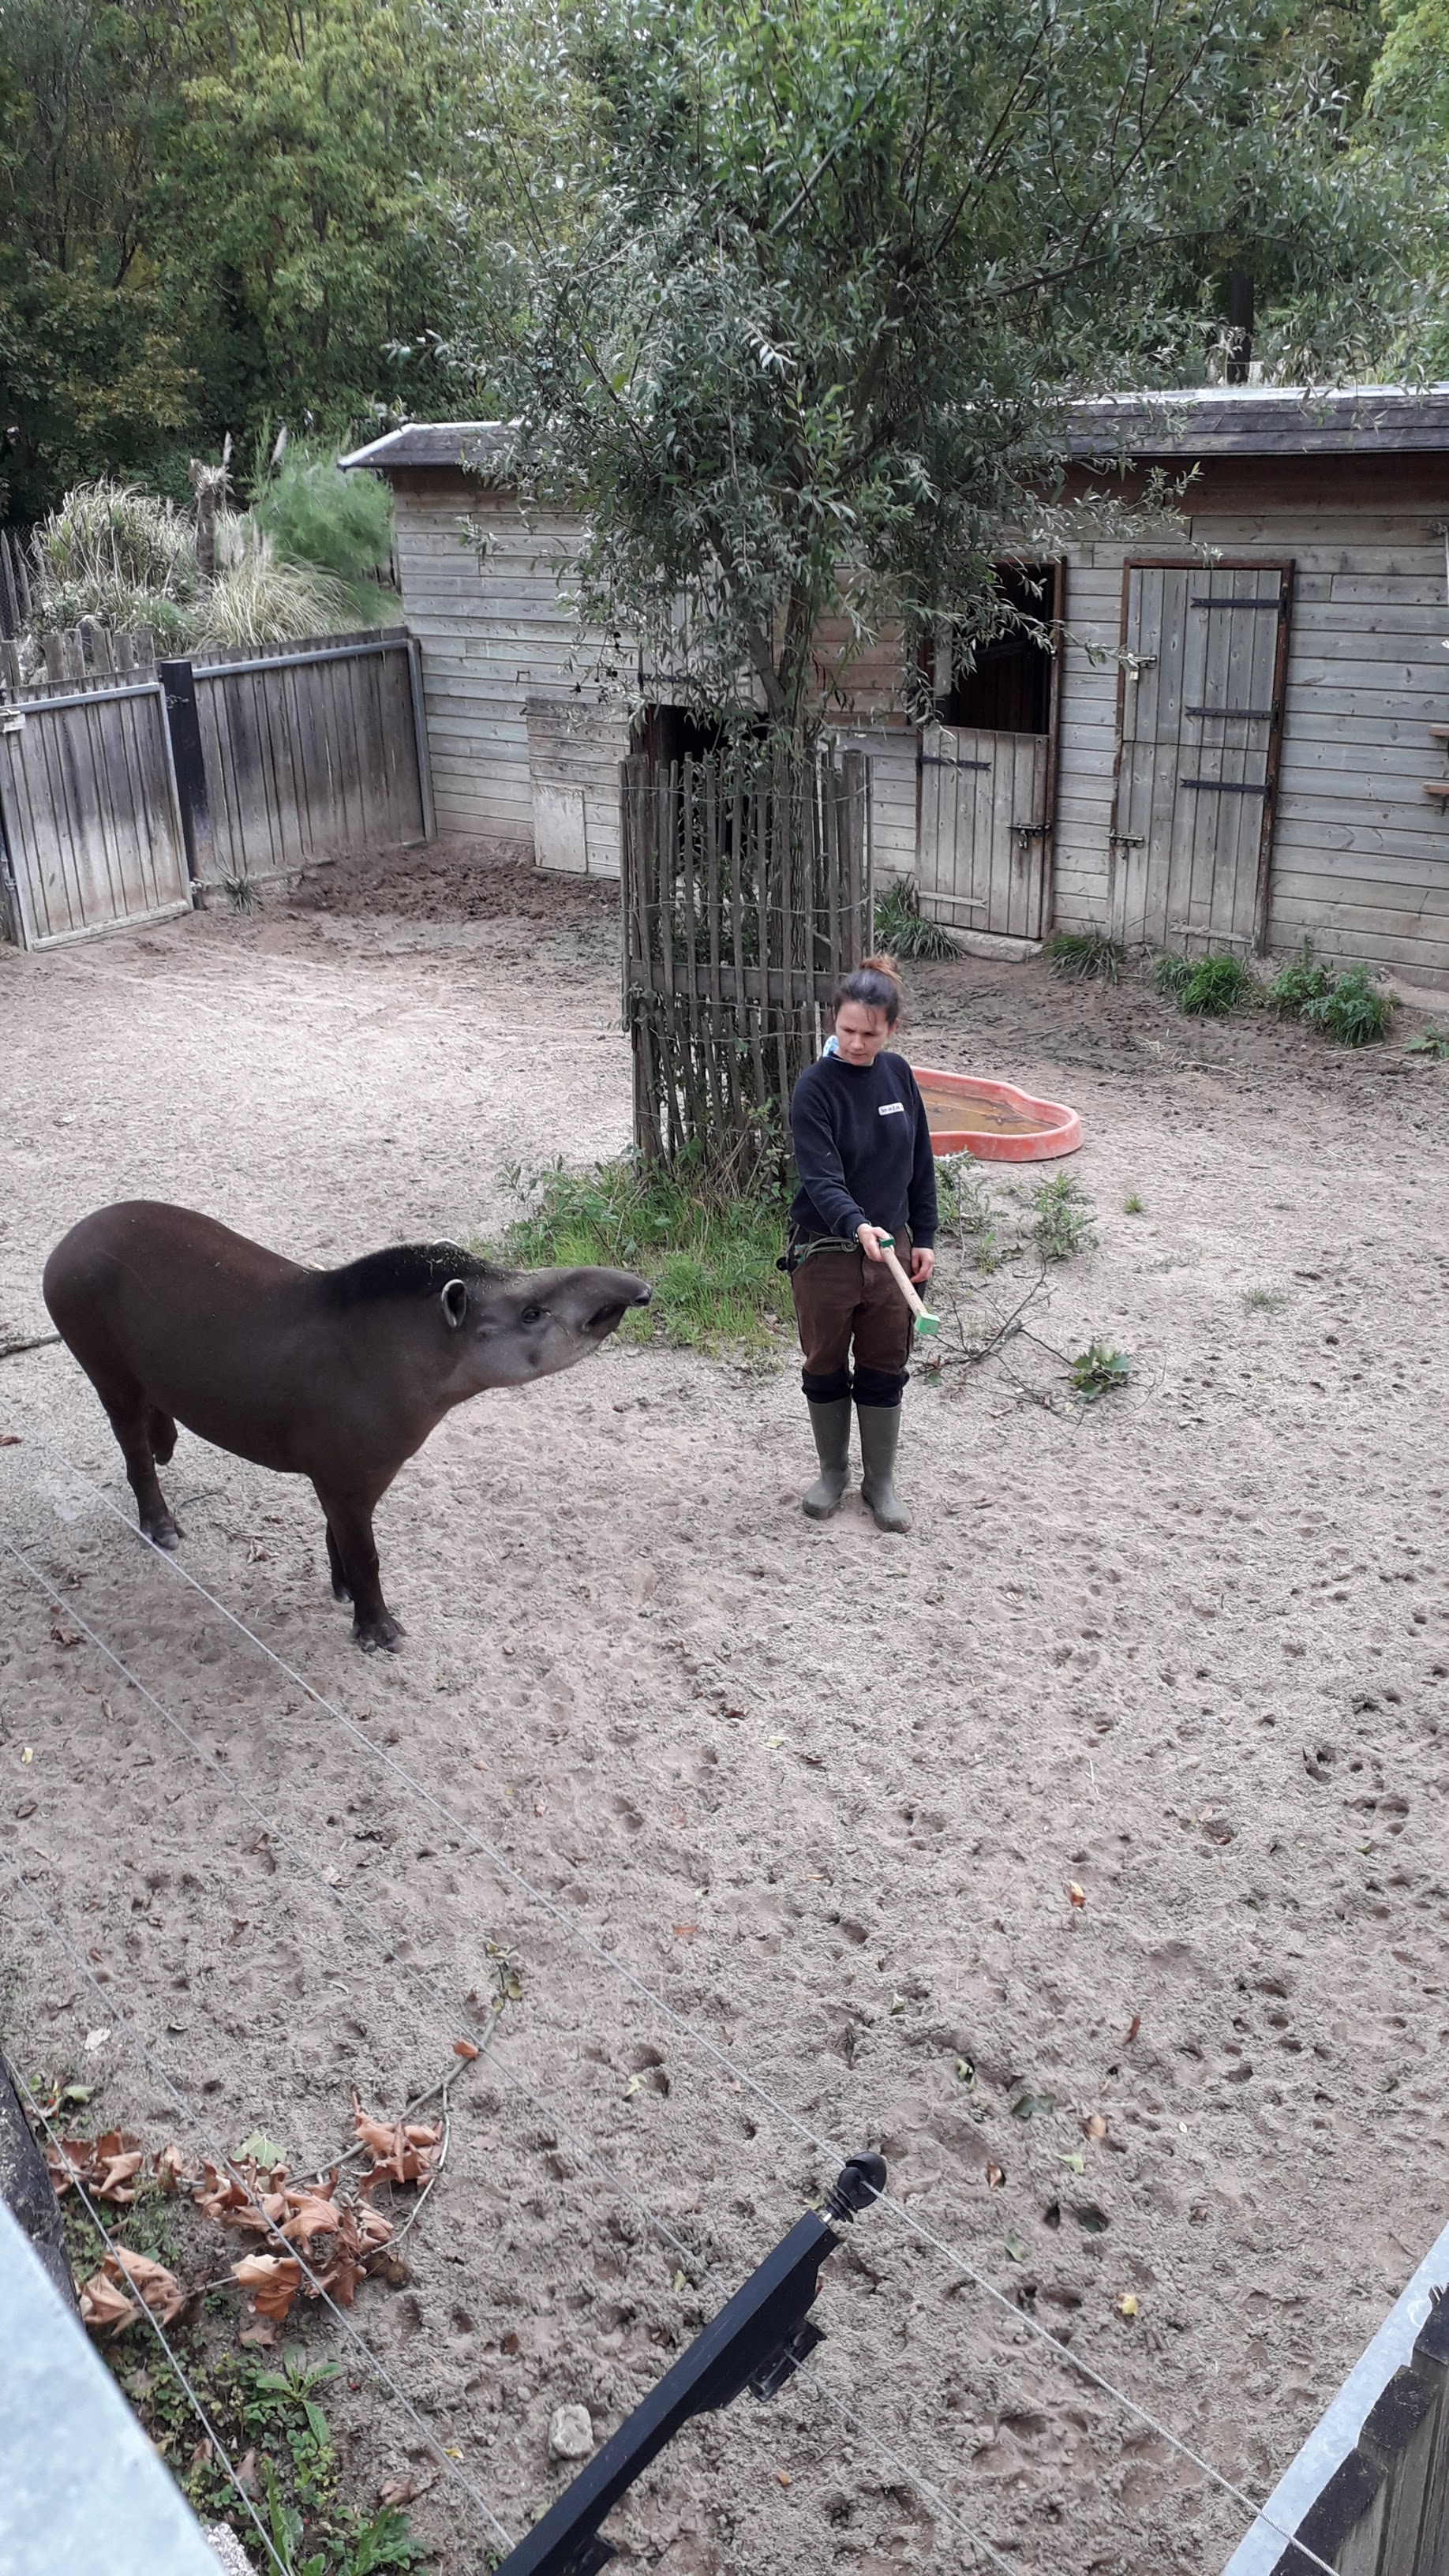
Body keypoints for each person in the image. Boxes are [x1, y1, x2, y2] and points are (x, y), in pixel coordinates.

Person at [786, 954, 937, 1532]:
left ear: (891, 1030)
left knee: (884, 1362)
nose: (854, 1043)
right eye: (846, 1030)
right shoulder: (815, 1089)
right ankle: (832, 1474)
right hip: (826, 1251)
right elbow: (821, 1177)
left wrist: (922, 1235)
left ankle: (881, 1483)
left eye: (868, 1034)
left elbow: (920, 1161)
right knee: (825, 1362)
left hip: (893, 1254)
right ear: (834, 1021)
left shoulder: (898, 1075)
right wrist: (856, 1224)